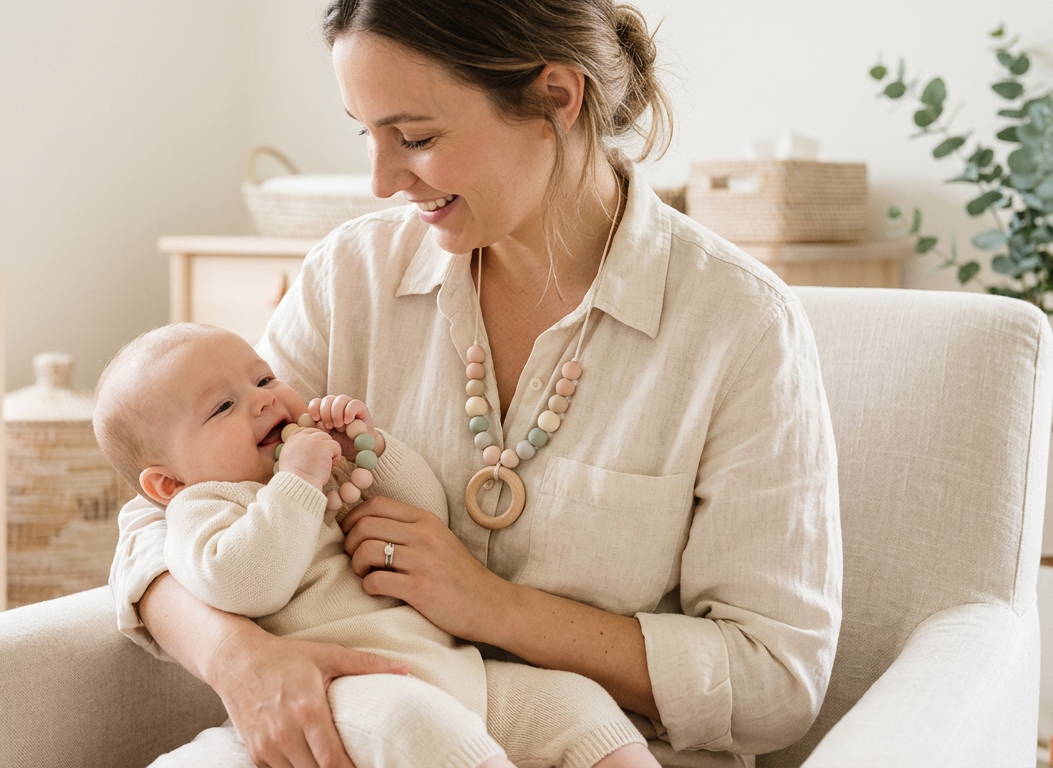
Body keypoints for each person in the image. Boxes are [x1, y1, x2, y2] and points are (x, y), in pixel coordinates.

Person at [111, 1, 843, 766]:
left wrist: (493, 607)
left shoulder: (740, 326)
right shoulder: (352, 277)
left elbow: (775, 682)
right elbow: (164, 507)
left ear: (557, 99)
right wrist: (240, 661)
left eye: (416, 138)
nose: (382, 180)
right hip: (365, 729)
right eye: (366, 133)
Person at [94, 323, 657, 768]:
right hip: (351, 691)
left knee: (575, 703)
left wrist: (372, 447)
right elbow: (247, 582)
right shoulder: (209, 505)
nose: (263, 403)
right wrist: (297, 482)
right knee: (424, 728)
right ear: (168, 484)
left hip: (455, 670)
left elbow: (426, 512)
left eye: (264, 381)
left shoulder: (314, 468)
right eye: (222, 407)